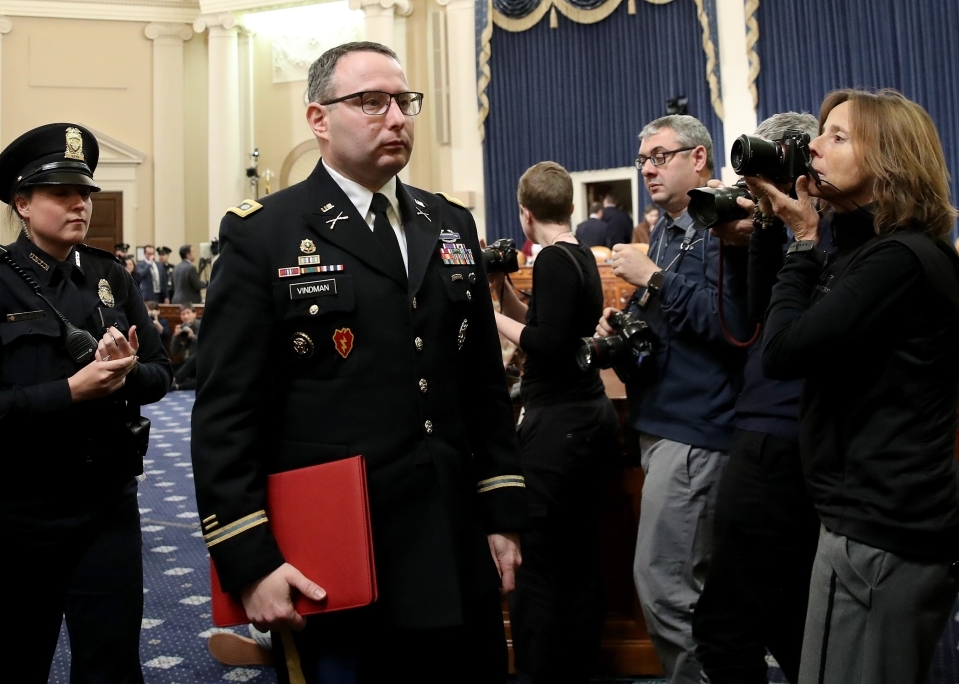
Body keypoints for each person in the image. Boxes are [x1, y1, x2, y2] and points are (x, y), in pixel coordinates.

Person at [191, 41, 527, 684]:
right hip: (342, 551)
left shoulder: (448, 222)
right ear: (319, 118)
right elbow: (227, 412)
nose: (397, 117)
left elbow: (482, 385)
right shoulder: (265, 232)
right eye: (372, 102)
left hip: (456, 538)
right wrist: (249, 559)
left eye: (404, 101)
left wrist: (504, 514)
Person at [750, 88, 959, 684]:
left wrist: (804, 241)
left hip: (881, 534)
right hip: (861, 524)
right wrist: (790, 233)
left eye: (837, 136)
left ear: (890, 160)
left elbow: (784, 353)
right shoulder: (873, 253)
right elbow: (763, 317)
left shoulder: (900, 260)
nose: (813, 145)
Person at [0, 123, 172, 682]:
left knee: (112, 661)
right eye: (60, 193)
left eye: (85, 193)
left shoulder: (109, 277)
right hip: (13, 511)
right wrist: (70, 392)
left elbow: (161, 375)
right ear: (23, 204)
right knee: (14, 659)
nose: (79, 204)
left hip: (106, 503)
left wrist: (124, 373)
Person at [596, 114, 749, 684]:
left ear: (700, 159)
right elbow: (675, 319)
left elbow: (731, 327)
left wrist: (654, 279)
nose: (649, 170)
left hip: (695, 428)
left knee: (665, 590)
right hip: (660, 420)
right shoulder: (666, 227)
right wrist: (629, 316)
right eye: (644, 160)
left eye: (661, 156)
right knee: (681, 592)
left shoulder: (725, 228)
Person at [692, 112, 824, 684]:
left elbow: (781, 336)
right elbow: (755, 317)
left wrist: (790, 230)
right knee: (790, 615)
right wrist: (756, 236)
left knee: (728, 626)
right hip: (780, 428)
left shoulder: (824, 233)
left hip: (777, 432)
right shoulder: (796, 231)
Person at [492, 162, 620, 684]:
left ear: (526, 213)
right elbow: (548, 322)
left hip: (559, 428)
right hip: (586, 418)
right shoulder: (579, 255)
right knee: (578, 557)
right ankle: (580, 668)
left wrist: (488, 319)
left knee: (540, 566)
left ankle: (542, 672)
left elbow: (547, 343)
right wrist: (502, 293)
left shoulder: (551, 261)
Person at [170, 304, 199, 390]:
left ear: (195, 314)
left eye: (188, 313)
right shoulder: (181, 328)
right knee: (168, 365)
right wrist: (175, 336)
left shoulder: (201, 326)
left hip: (200, 363)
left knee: (197, 356)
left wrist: (193, 337)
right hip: (186, 364)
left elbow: (206, 348)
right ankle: (176, 383)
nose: (186, 316)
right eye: (183, 314)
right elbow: (173, 351)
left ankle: (176, 380)